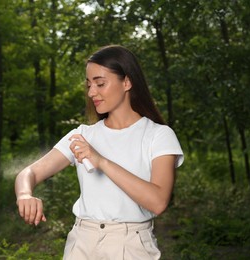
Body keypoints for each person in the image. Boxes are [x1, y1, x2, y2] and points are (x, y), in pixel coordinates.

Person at [15, 45, 184, 259]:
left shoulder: (158, 135)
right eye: (88, 85)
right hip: (81, 244)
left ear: (127, 82)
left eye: (100, 83)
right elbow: (29, 173)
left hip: (130, 246)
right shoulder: (83, 135)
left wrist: (101, 161)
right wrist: (25, 194)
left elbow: (158, 202)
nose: (91, 92)